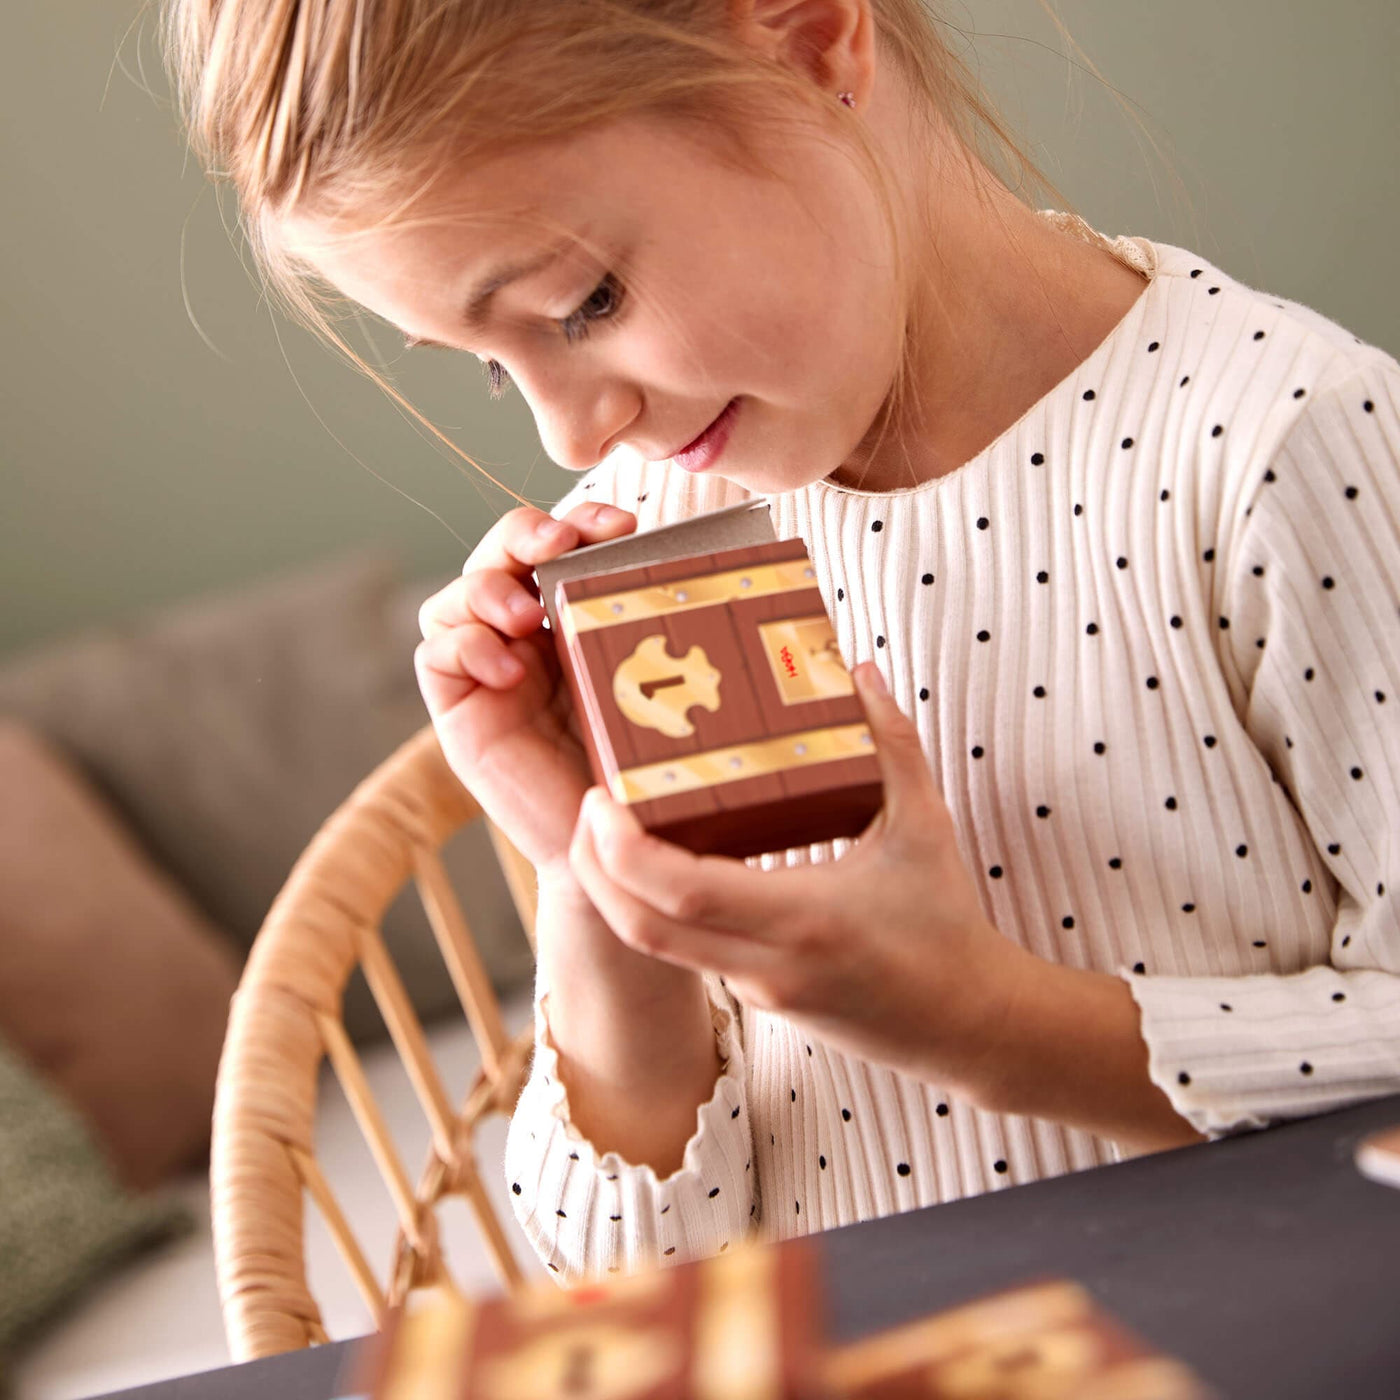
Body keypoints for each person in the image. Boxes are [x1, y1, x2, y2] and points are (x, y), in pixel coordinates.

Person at [165, 0, 1400, 1286]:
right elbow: (625, 1274)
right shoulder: (667, 531)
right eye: (487, 363)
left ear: (813, 44)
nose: (568, 437)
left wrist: (982, 1022)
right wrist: (600, 874)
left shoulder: (1271, 449)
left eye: (583, 300)